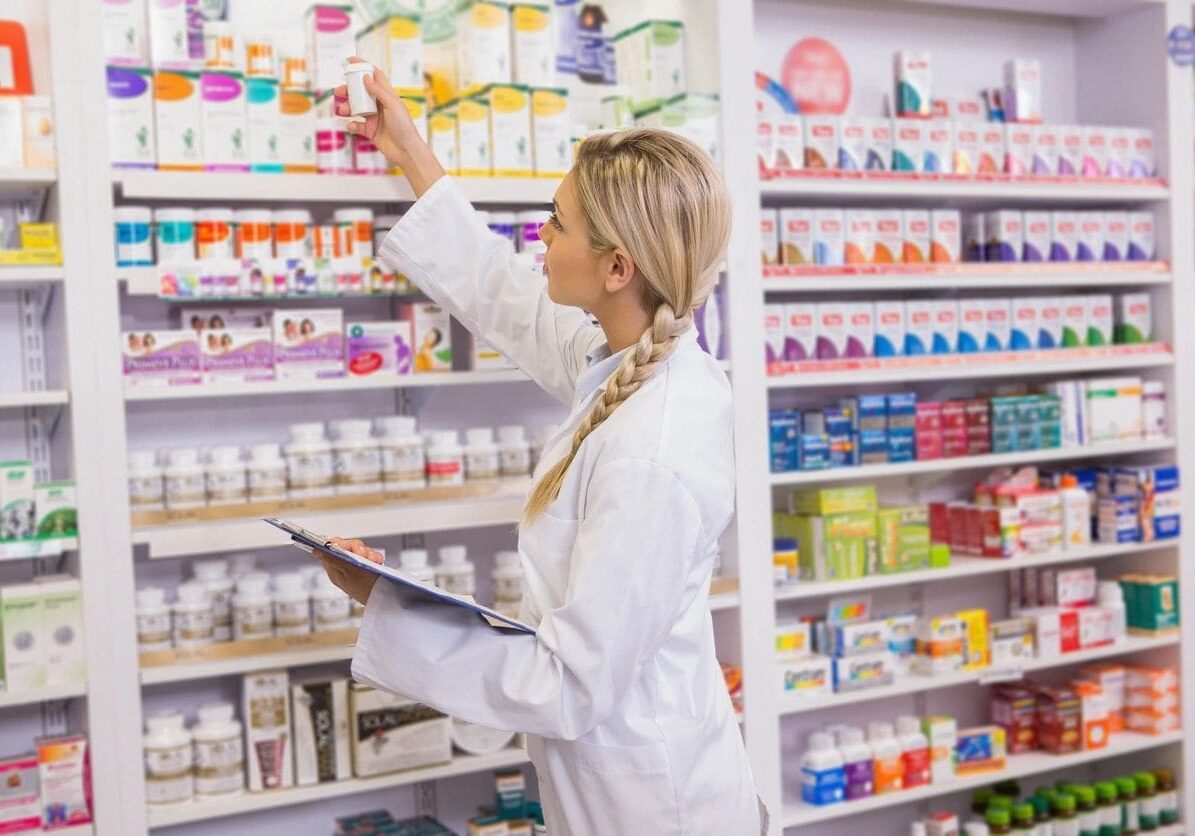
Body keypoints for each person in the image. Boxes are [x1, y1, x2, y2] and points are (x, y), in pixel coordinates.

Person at [314, 61, 763, 835]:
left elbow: (564, 684)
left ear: (617, 268)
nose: (539, 237)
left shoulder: (650, 454)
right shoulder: (632, 358)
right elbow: (510, 298)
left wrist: (383, 602)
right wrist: (411, 154)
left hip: (655, 812)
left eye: (555, 223)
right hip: (625, 786)